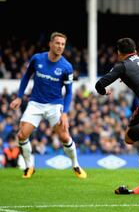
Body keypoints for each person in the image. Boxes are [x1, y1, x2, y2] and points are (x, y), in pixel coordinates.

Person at [10, 32, 87, 179]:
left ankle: (76, 165)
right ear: (50, 44)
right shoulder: (37, 58)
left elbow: (69, 92)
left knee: (64, 137)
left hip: (54, 105)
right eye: (57, 43)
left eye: (63, 44)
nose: (60, 46)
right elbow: (26, 76)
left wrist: (65, 112)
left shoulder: (66, 67)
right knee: (21, 135)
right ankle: (29, 167)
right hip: (35, 103)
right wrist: (19, 97)